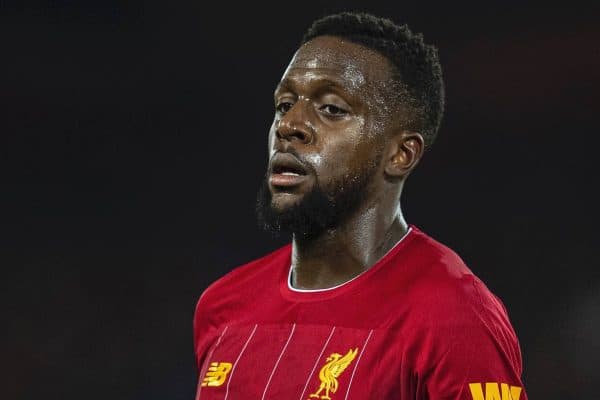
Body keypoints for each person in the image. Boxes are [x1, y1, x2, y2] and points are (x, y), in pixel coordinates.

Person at [193, 11, 527, 400]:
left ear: (401, 154)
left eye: (331, 108)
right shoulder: (223, 307)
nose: (289, 126)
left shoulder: (454, 318)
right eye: (284, 105)